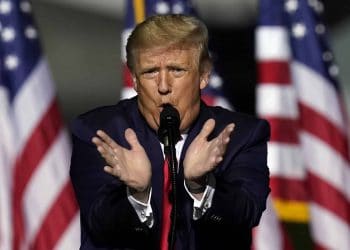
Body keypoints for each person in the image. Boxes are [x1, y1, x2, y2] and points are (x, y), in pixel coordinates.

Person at [70, 14, 270, 250]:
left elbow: (245, 216)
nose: (163, 86)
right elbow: (99, 226)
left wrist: (200, 185)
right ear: (134, 78)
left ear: (204, 74)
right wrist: (137, 194)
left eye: (176, 70)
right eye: (150, 72)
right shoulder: (99, 132)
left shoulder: (239, 135)